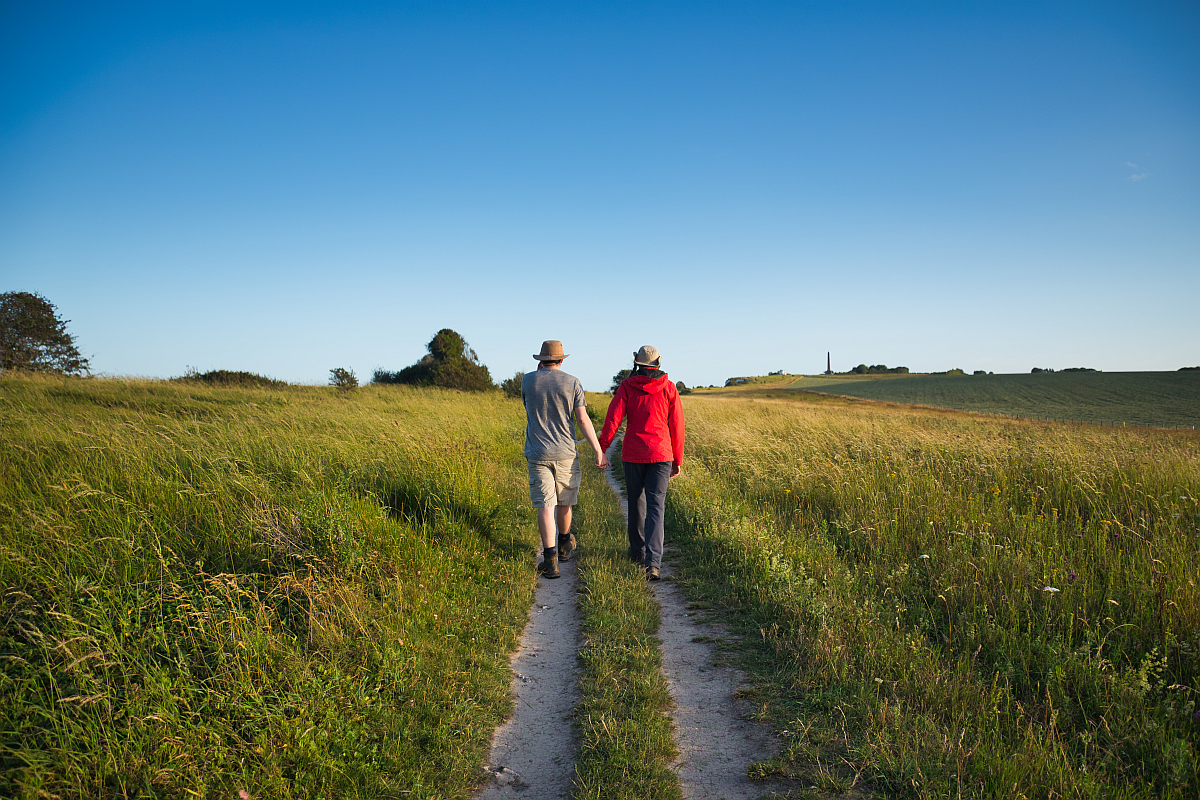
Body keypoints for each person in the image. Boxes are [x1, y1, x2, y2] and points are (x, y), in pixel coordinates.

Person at [522, 340, 609, 579]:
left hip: (538, 453)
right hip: (566, 453)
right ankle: (564, 546)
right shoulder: (573, 382)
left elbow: (528, 408)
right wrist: (598, 450)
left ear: (540, 360)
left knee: (544, 505)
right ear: (562, 360)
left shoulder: (527, 380)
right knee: (565, 502)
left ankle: (550, 562)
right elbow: (582, 420)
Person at [599, 345, 685, 580]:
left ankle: (637, 551)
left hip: (634, 454)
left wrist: (603, 447)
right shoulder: (668, 387)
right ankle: (653, 563)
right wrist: (678, 458)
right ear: (658, 363)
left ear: (637, 363)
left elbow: (613, 418)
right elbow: (676, 425)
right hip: (661, 454)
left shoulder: (627, 386)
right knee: (656, 507)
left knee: (636, 502)